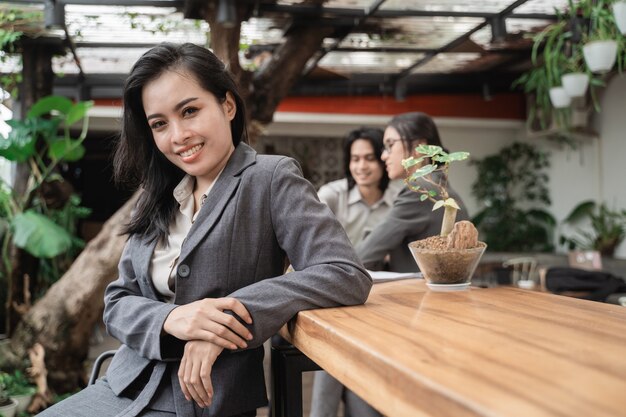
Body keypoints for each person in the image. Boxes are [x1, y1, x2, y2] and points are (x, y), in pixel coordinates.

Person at [38, 43, 372, 417]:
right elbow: (117, 302)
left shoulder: (270, 179)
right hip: (123, 387)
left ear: (227, 105)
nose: (178, 135)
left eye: (190, 111)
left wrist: (224, 321)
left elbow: (344, 274)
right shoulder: (155, 195)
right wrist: (171, 319)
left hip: (205, 397)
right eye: (159, 124)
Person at [310, 128, 401, 417]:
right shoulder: (332, 195)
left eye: (370, 158)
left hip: (384, 299)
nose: (361, 166)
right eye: (355, 159)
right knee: (337, 351)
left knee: (365, 361)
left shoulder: (400, 198)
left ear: (383, 161)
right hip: (336, 296)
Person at [356, 111, 469, 272]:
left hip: (418, 295)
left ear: (420, 147)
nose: (383, 156)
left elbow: (361, 257)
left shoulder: (419, 191)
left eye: (390, 145)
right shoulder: (441, 188)